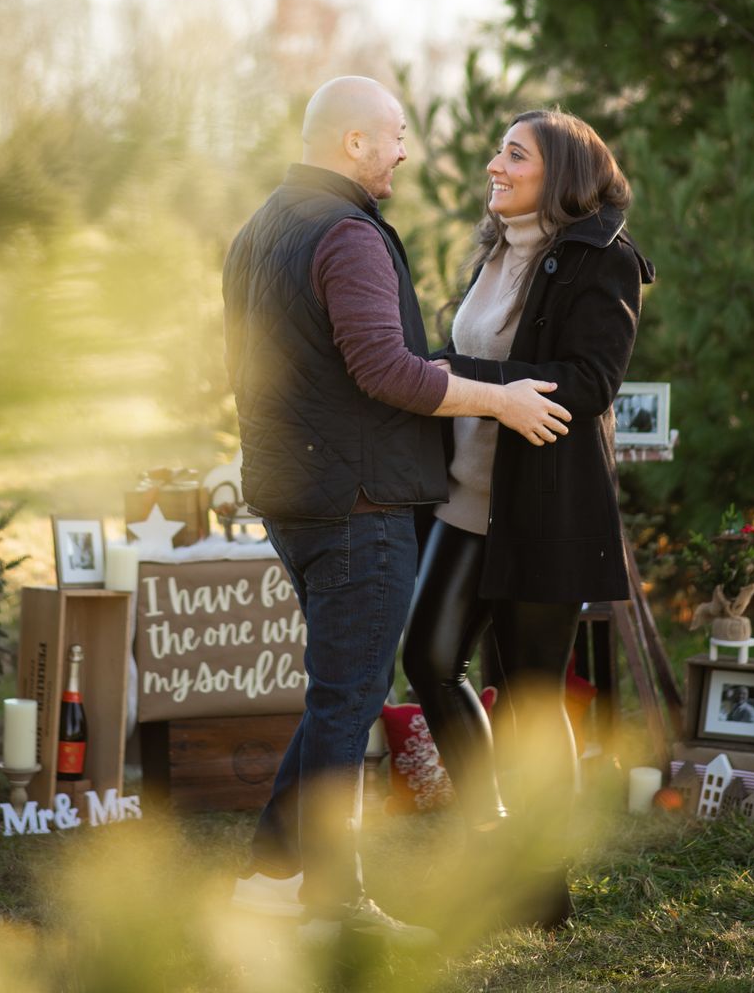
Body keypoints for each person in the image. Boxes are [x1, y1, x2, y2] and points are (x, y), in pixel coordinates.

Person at [222, 76, 571, 945]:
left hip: (292, 499)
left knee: (337, 692)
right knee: (348, 701)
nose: (405, 152)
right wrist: (499, 402)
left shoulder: (260, 228)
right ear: (353, 142)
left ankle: (270, 877)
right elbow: (384, 369)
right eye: (397, 135)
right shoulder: (346, 235)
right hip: (356, 505)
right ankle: (329, 907)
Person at [402, 107, 654, 929]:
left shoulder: (599, 261)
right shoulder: (495, 251)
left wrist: (454, 373)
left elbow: (589, 383)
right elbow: (476, 371)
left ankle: (541, 888)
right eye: (498, 151)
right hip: (464, 505)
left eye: (515, 155)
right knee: (430, 662)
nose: (494, 166)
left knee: (536, 699)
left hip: (542, 513)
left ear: (561, 175)